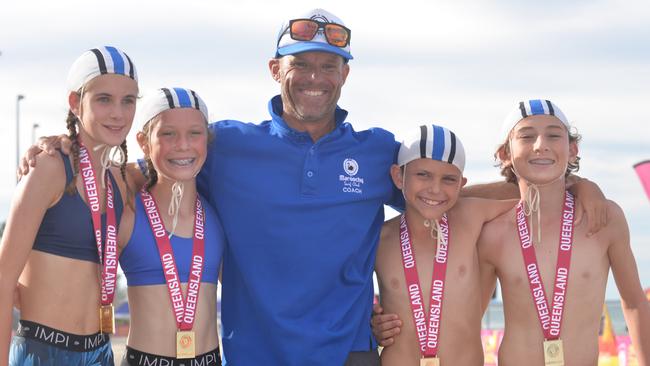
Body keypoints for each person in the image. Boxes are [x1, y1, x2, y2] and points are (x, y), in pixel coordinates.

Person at [17, 10, 608, 366]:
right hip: (251, 353)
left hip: (349, 352)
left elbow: (451, 195)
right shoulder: (226, 143)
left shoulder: (378, 152)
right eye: (301, 63)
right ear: (276, 69)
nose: (315, 78)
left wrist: (577, 187)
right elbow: (153, 163)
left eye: (330, 65)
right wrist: (59, 146)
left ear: (346, 74)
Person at [477, 99, 650, 365]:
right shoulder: (493, 234)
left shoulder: (604, 219)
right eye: (526, 136)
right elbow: (467, 319)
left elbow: (635, 303)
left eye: (553, 135)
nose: (541, 144)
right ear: (505, 154)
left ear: (572, 149)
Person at [0, 46, 138, 366]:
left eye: (128, 101)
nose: (118, 113)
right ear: (76, 103)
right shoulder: (49, 167)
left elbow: (171, 165)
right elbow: (4, 279)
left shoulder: (123, 179)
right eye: (104, 99)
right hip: (43, 350)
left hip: (100, 352)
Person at [375, 124, 516, 366]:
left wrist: (583, 187)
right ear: (398, 176)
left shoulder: (470, 217)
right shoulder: (380, 238)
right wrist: (371, 323)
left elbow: (538, 198)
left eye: (448, 179)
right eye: (423, 175)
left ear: (461, 184)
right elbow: (345, 294)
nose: (435, 189)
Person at [117, 87, 224, 366]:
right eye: (168, 134)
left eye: (194, 133)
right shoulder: (127, 212)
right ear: (143, 141)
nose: (183, 145)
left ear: (207, 140)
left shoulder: (218, 215)